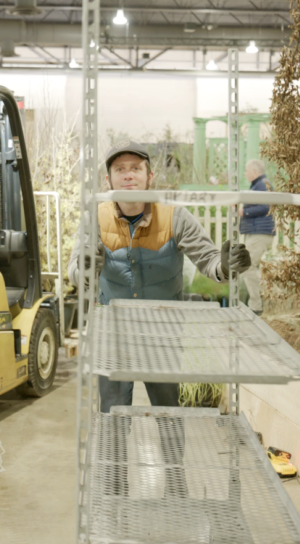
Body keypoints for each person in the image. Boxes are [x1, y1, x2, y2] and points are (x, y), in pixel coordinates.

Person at [68, 140, 252, 413]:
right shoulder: (95, 217)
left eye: (135, 168)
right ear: (108, 180)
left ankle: (171, 457)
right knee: (112, 418)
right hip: (113, 335)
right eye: (120, 169)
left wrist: (227, 266)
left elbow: (210, 262)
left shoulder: (175, 217)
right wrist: (84, 268)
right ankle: (115, 457)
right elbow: (74, 271)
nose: (128, 174)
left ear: (149, 177)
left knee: (170, 417)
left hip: (163, 335)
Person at [238, 159, 277, 315]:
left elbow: (265, 206)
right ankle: (262, 301)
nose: (245, 174)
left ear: (254, 171)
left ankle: (256, 306)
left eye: (247, 171)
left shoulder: (262, 185)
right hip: (257, 231)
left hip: (259, 232)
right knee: (250, 267)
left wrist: (244, 212)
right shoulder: (259, 185)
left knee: (246, 266)